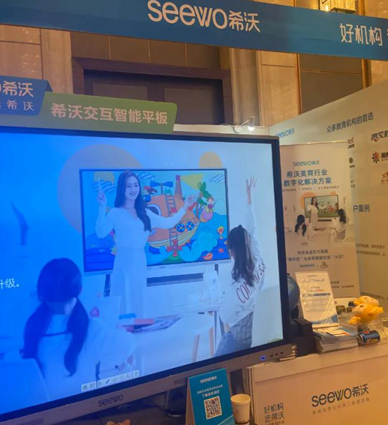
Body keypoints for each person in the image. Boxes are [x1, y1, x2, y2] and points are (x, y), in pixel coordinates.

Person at [23, 259, 135, 401]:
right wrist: (122, 332)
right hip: (84, 409)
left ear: (41, 294)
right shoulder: (92, 328)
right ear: (80, 289)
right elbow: (127, 347)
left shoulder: (32, 328)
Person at [96, 171, 195, 317]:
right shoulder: (115, 213)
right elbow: (100, 232)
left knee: (138, 299)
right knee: (121, 298)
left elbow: (169, 223)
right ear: (122, 188)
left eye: (136, 185)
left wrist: (184, 207)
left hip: (139, 260)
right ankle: (121, 329)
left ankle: (139, 328)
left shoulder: (145, 213)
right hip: (122, 260)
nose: (133, 189)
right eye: (129, 186)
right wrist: (101, 207)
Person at [216, 177, 266, 356]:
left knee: (214, 364)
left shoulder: (237, 284)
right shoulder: (257, 258)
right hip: (258, 327)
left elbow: (224, 316)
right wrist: (249, 197)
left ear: (232, 251)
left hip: (241, 337)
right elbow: (252, 228)